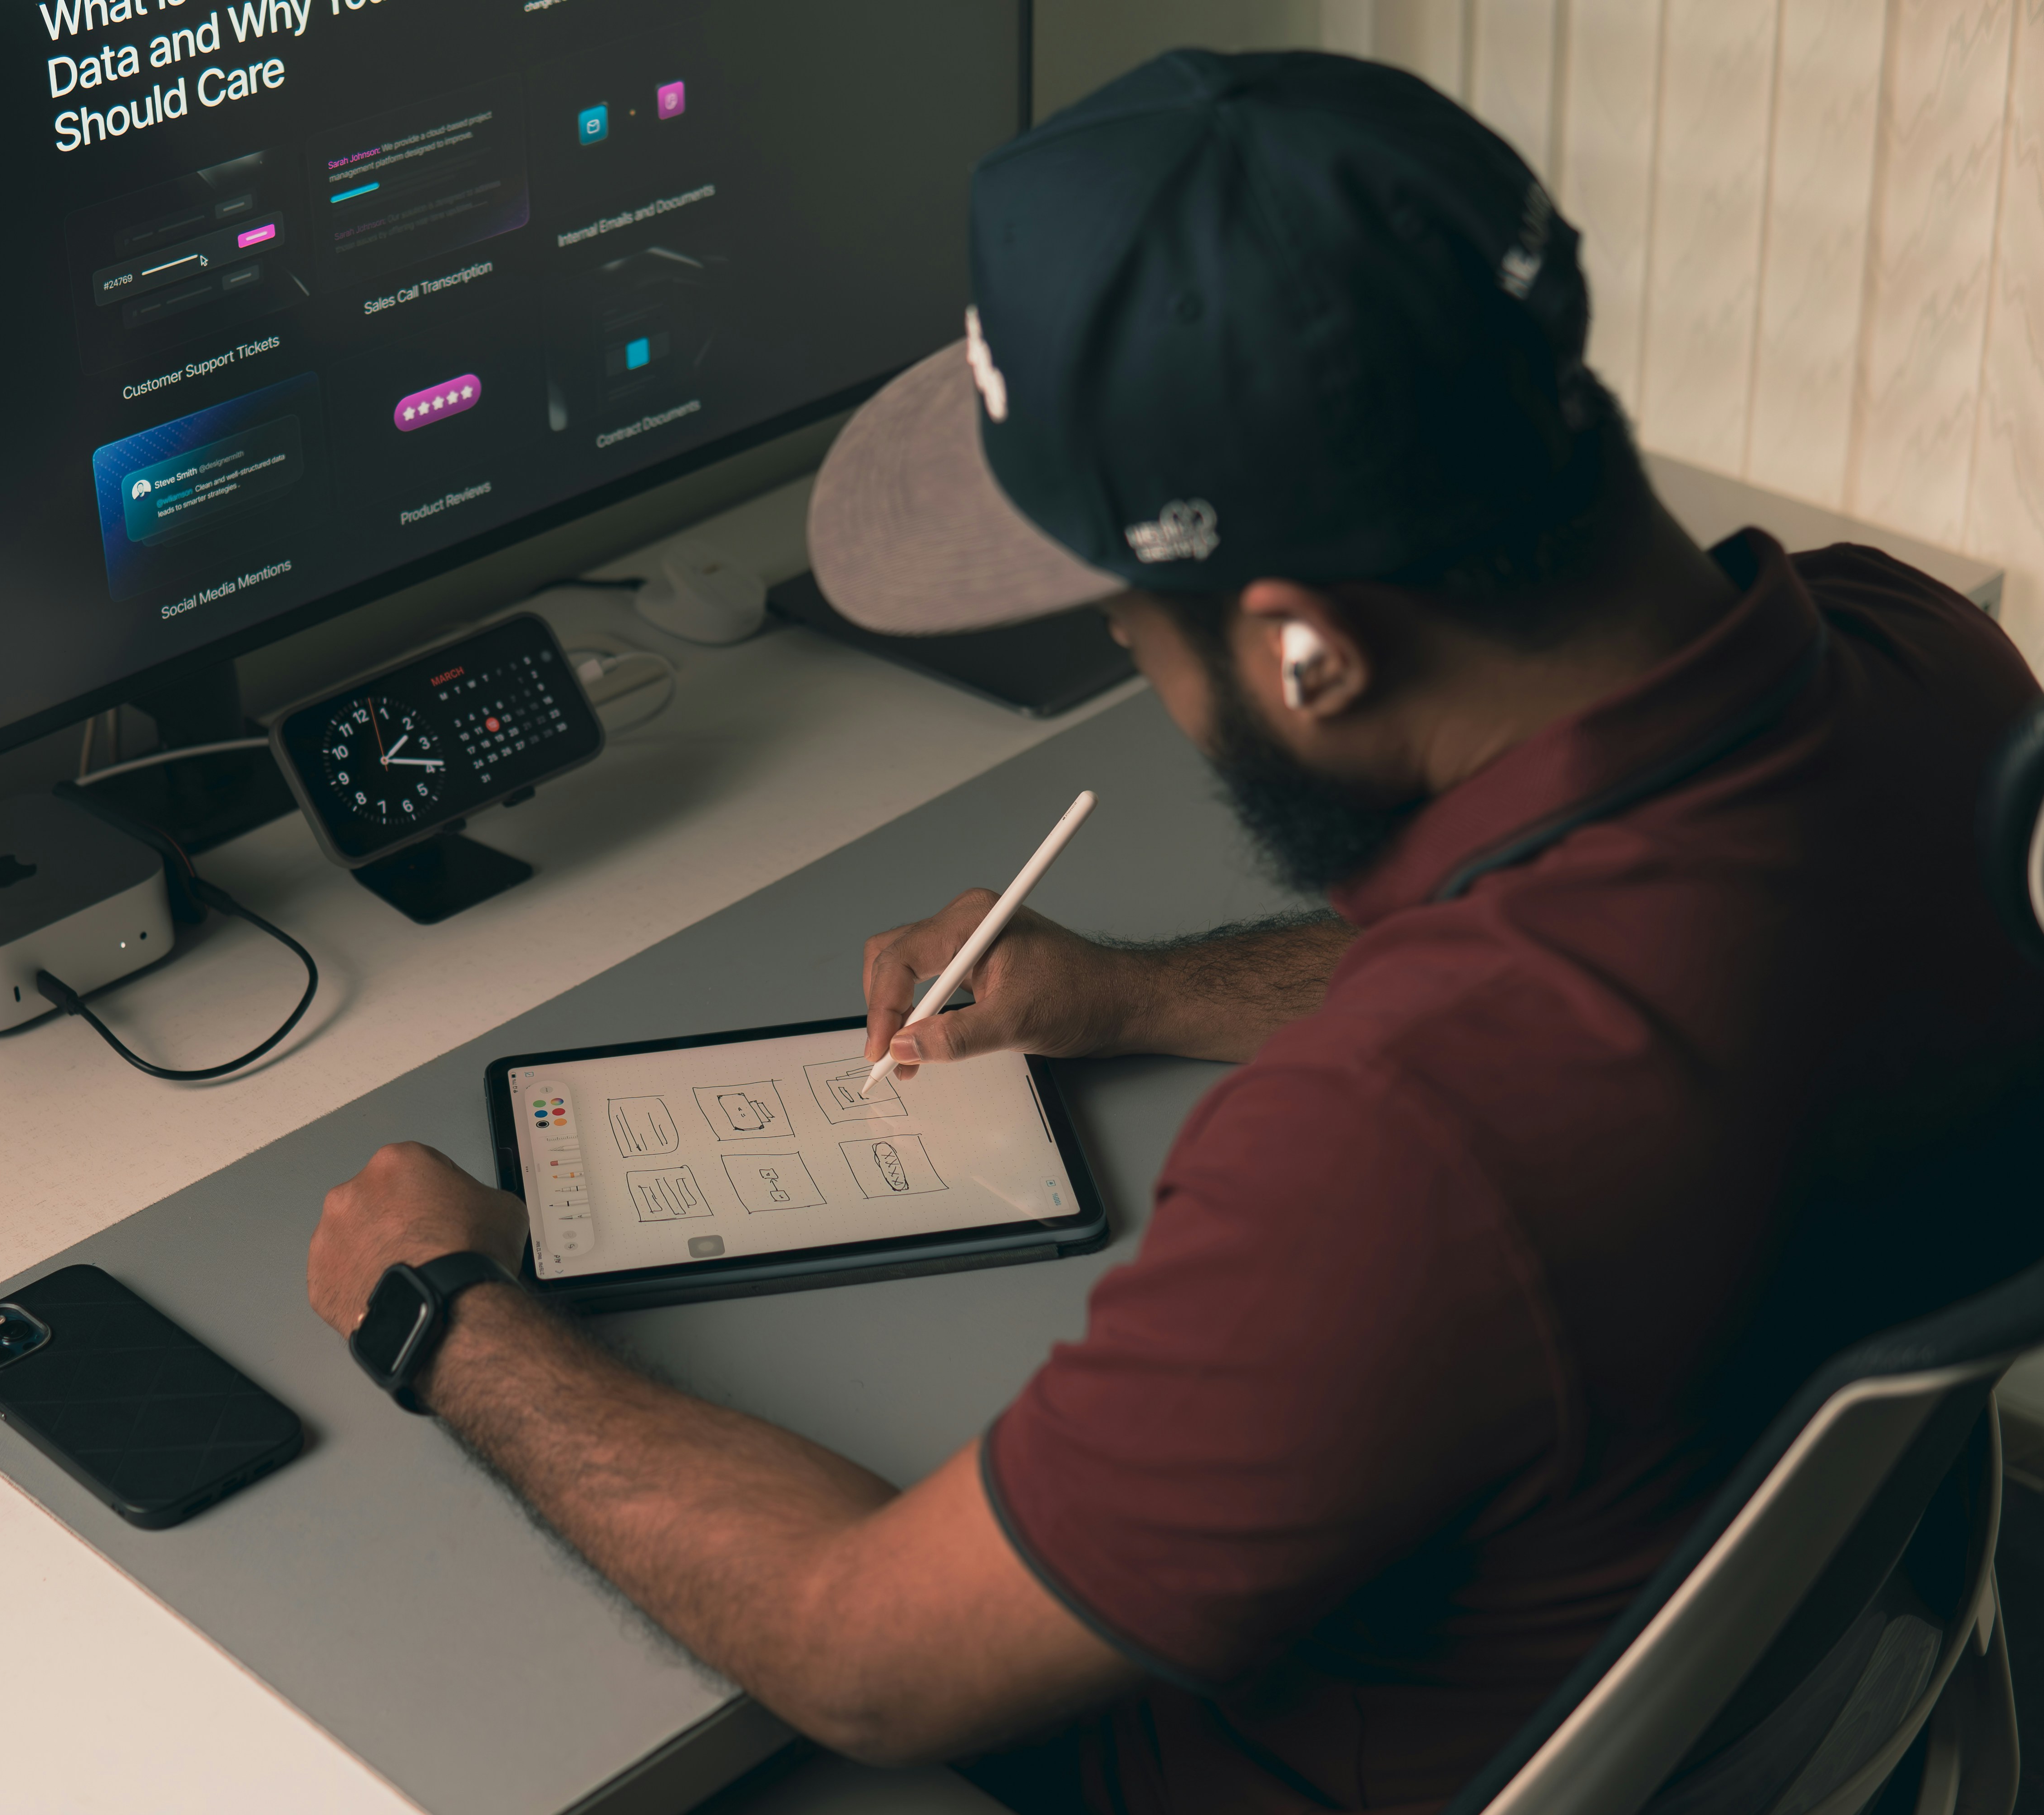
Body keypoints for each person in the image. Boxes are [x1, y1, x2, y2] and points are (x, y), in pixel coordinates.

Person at [305, 51, 2044, 1814]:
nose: (1141, 675)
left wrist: (445, 1315)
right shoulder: (1941, 678)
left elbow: (866, 1657)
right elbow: (1590, 985)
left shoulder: (1404, 1156)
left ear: (1308, 648)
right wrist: (1136, 993)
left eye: (1130, 631)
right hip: (1829, 1697)